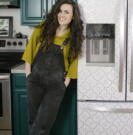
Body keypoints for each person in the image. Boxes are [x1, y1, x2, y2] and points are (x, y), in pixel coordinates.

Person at [21, 0, 84, 134]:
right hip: (35, 81)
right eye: (60, 11)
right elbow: (30, 50)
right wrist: (28, 74)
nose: (62, 15)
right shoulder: (43, 28)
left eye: (66, 12)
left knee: (43, 124)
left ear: (73, 16)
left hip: (55, 87)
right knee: (33, 121)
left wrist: (65, 83)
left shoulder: (74, 37)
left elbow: (73, 63)